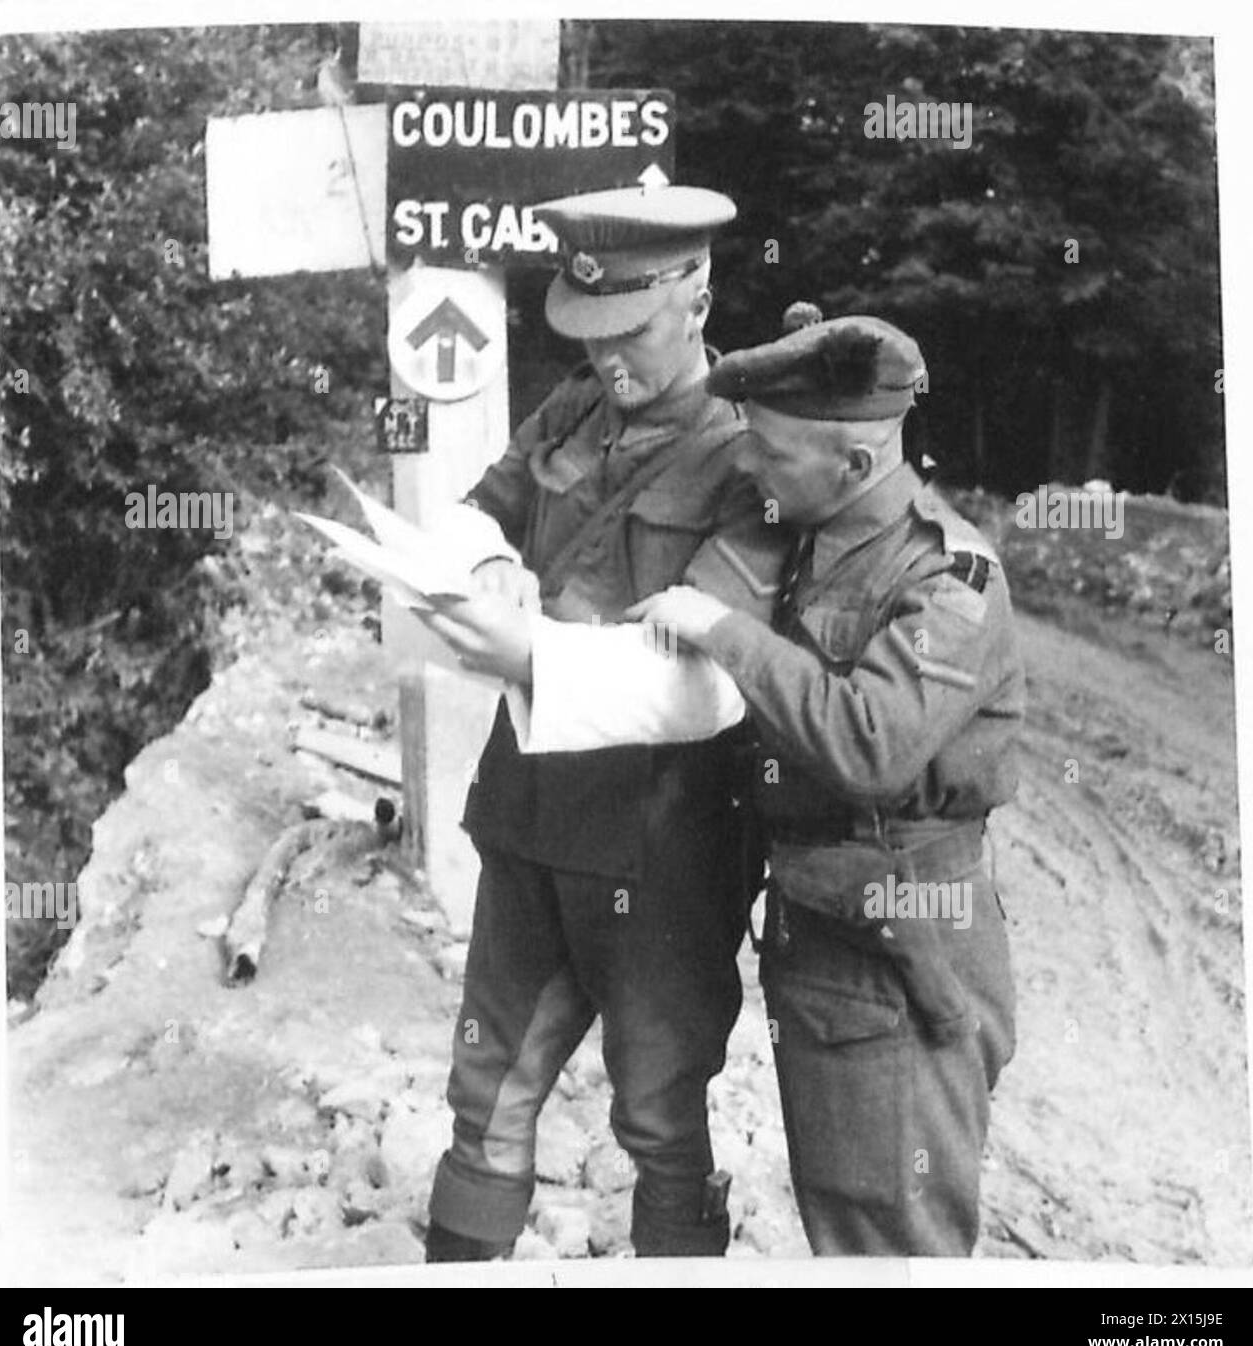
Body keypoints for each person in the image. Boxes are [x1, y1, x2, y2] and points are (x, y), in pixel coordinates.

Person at [432, 313, 1024, 1257]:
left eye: (775, 452)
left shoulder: (949, 580)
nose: (747, 465)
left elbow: (867, 742)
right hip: (821, 934)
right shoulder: (821, 542)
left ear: (856, 465)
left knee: (892, 1229)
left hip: (907, 950)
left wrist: (721, 630)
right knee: (844, 1208)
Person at [417, 184, 789, 1261]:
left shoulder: (750, 456)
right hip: (533, 821)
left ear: (698, 298)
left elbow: (717, 684)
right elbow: (475, 511)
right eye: (588, 334)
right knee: (485, 1090)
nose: (607, 359)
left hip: (663, 846)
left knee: (660, 1118)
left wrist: (534, 655)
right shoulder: (575, 409)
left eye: (627, 333)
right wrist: (488, 562)